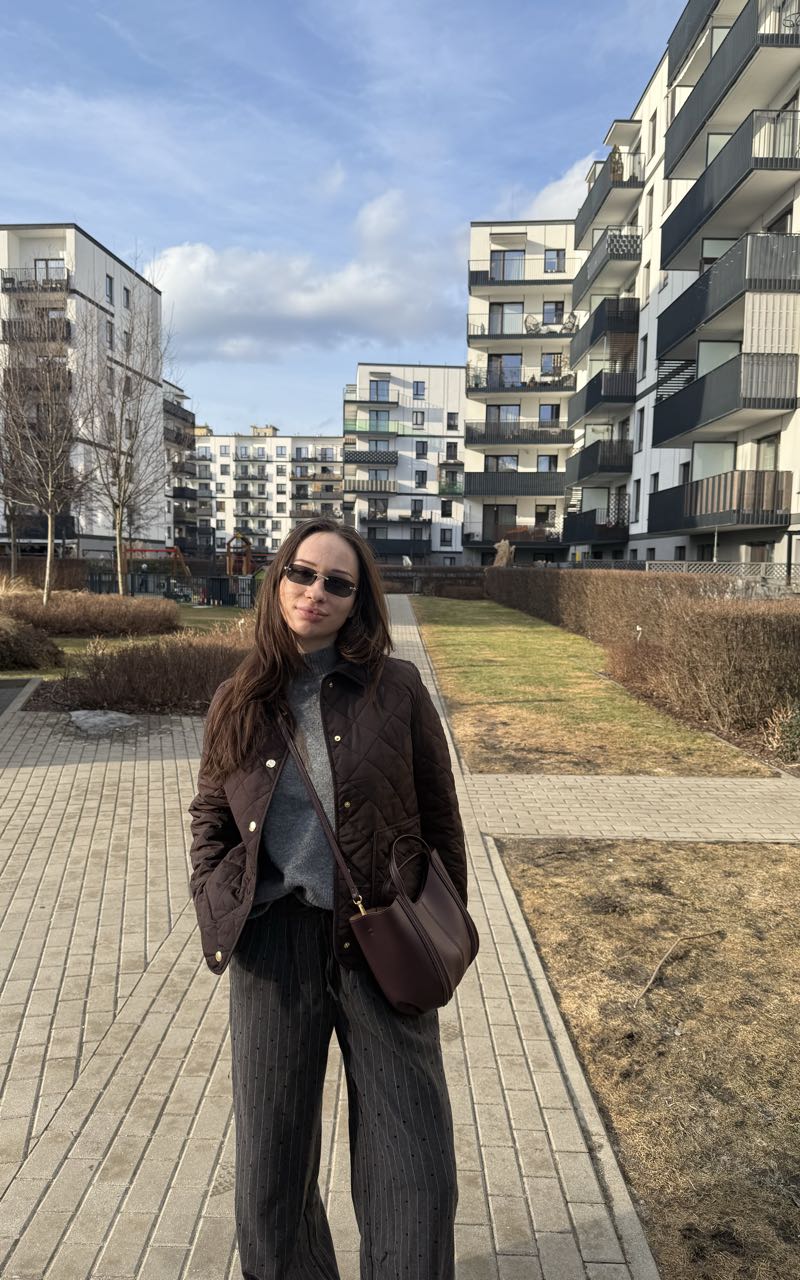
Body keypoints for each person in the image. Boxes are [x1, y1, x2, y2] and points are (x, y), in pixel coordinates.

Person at [188, 516, 467, 1280]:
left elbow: (440, 818)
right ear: (278, 579)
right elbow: (211, 813)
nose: (316, 592)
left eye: (337, 583)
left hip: (380, 940)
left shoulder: (396, 689)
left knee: (415, 1164)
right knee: (271, 1168)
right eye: (303, 573)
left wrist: (441, 927)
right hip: (273, 947)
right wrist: (214, 892)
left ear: (357, 601)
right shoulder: (238, 698)